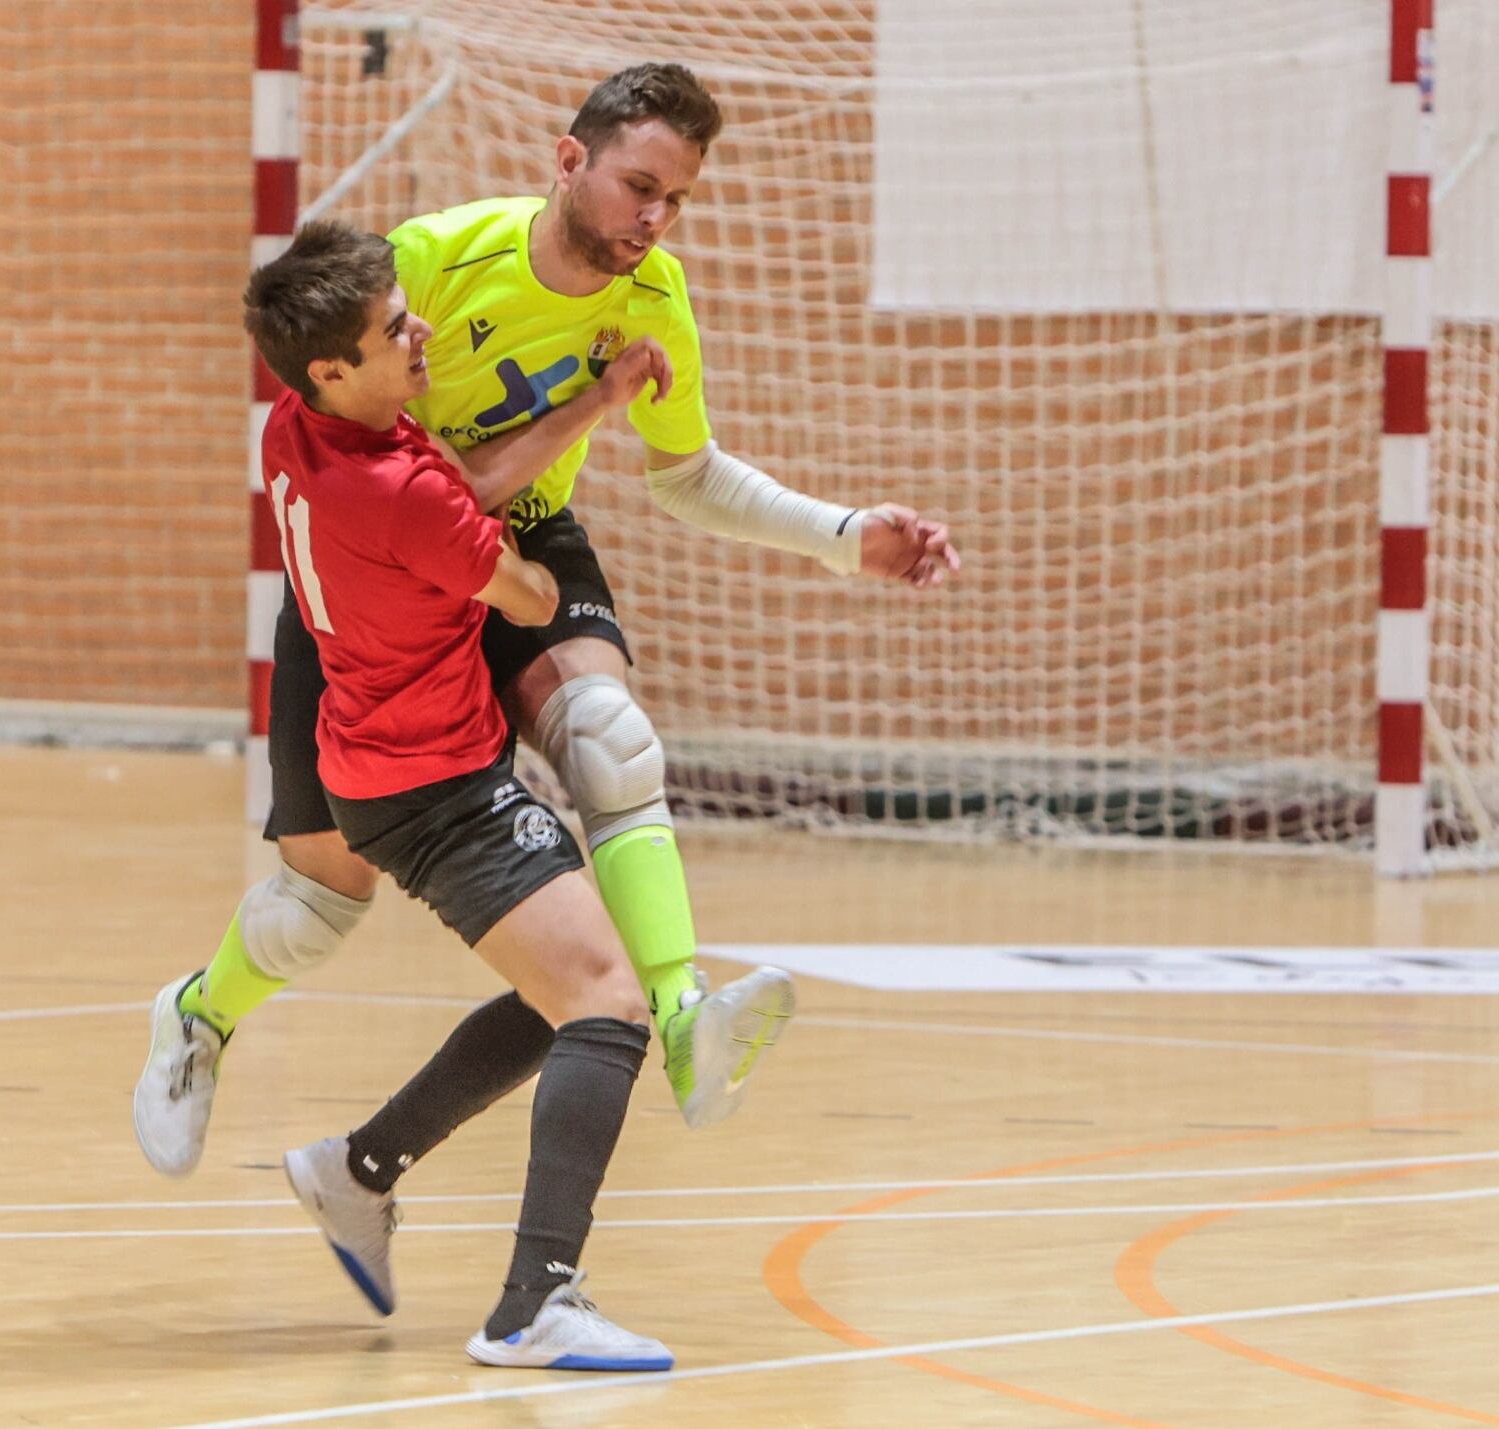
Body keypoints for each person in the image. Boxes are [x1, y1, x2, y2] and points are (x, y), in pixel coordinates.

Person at [137, 61, 958, 1177]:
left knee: (610, 738)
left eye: (676, 199)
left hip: (519, 535)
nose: (654, 220)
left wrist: (841, 532)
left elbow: (686, 474)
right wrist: (565, 416)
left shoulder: (654, 295)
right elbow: (351, 447)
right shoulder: (432, 258)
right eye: (638, 186)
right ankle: (197, 1015)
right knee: (313, 908)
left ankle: (681, 1019)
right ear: (567, 160)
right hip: (376, 568)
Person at [244, 220, 676, 1368]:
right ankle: (534, 1303)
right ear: (333, 367)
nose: (420, 329)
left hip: (383, 764)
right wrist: (542, 568)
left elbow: (461, 484)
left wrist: (591, 401)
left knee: (564, 994)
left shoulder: (294, 429)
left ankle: (358, 1169)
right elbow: (529, 596)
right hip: (435, 785)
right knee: (606, 1005)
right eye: (395, 329)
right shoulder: (402, 498)